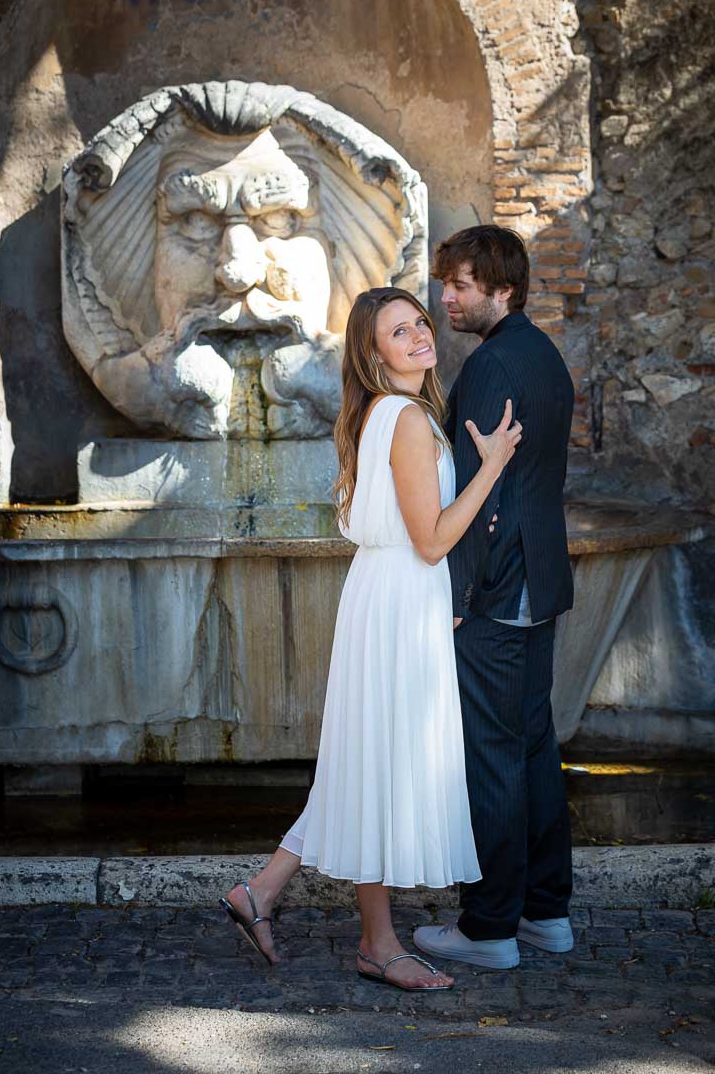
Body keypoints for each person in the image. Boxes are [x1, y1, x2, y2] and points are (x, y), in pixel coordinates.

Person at [220, 285, 522, 991]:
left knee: (365, 763)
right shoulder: (408, 420)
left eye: (421, 322)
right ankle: (378, 946)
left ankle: (263, 890)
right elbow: (432, 539)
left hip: (391, 598)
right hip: (397, 600)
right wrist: (493, 468)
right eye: (399, 331)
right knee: (379, 768)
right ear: (373, 350)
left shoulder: (390, 413)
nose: (420, 335)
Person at [413, 225, 575, 971]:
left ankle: (489, 929)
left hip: (496, 592)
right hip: (539, 584)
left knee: (494, 761)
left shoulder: (489, 366)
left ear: (503, 291)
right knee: (534, 751)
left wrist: (460, 589)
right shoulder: (544, 357)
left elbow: (486, 498)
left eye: (463, 285)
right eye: (445, 283)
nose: (446, 297)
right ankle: (545, 913)